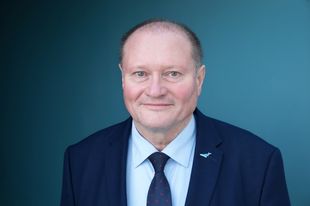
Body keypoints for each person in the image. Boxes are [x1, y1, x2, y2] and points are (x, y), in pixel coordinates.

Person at [60, 19, 290, 206]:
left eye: (172, 74)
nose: (155, 90)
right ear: (123, 78)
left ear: (199, 80)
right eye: (140, 73)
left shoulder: (258, 162)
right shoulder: (81, 160)